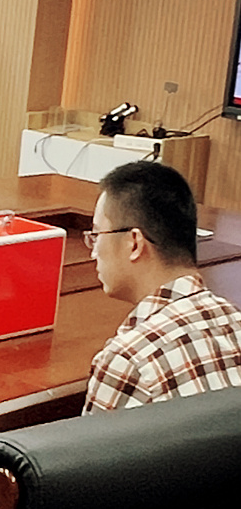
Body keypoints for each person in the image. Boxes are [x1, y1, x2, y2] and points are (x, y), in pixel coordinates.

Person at [83, 160, 241, 411]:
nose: (93, 252)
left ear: (134, 243)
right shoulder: (234, 321)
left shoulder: (127, 360)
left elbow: (91, 439)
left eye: (96, 235)